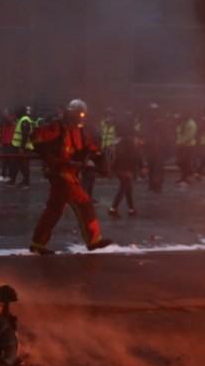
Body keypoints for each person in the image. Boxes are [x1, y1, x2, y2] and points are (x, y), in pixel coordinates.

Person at [28, 99, 113, 255]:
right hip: (60, 174)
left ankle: (37, 243)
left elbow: (92, 149)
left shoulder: (80, 132)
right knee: (84, 204)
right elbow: (36, 136)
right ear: (69, 114)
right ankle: (93, 240)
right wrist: (48, 157)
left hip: (71, 174)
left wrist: (101, 162)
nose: (80, 119)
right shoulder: (56, 127)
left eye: (82, 116)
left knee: (54, 210)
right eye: (77, 115)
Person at [108, 120, 145, 218]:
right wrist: (138, 168)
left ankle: (131, 208)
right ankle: (113, 208)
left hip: (119, 168)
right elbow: (135, 155)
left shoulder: (119, 141)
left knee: (127, 188)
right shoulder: (130, 143)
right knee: (124, 188)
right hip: (125, 169)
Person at [8, 105, 34, 188]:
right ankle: (13, 180)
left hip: (23, 147)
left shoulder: (24, 120)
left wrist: (22, 148)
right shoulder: (24, 120)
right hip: (19, 146)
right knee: (16, 164)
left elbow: (25, 135)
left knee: (24, 165)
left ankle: (26, 182)